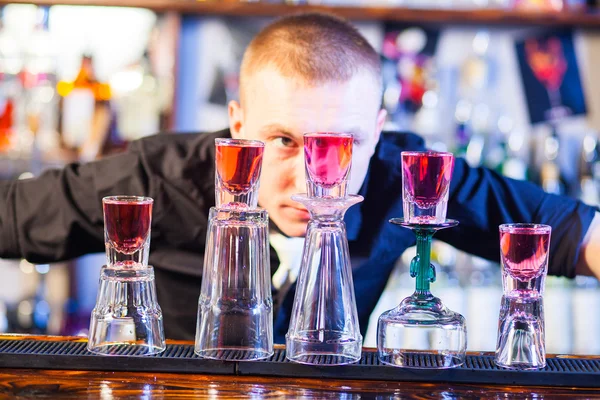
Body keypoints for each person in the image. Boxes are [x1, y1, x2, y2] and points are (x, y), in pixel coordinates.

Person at [0, 13, 599, 342]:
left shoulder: (403, 176)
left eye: (343, 146)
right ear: (237, 122)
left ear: (379, 130)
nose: (317, 181)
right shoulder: (157, 176)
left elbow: (575, 232)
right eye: (283, 141)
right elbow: (14, 219)